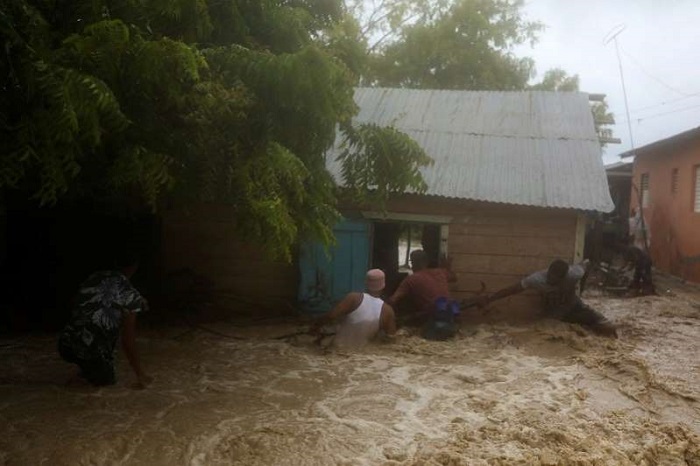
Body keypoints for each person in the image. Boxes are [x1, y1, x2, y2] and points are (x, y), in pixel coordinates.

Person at [58, 251, 152, 388]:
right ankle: (83, 377)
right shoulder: (131, 296)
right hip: (92, 349)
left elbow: (76, 302)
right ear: (135, 267)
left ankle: (85, 369)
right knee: (106, 383)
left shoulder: (94, 277)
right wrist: (140, 374)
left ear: (115, 264)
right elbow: (128, 341)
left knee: (93, 352)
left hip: (65, 343)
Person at [483, 259, 617, 337]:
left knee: (609, 329)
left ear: (564, 277)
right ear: (547, 273)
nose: (551, 281)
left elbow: (586, 263)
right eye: (549, 277)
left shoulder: (573, 274)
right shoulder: (536, 279)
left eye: (555, 280)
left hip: (575, 307)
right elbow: (512, 289)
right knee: (543, 334)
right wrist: (489, 298)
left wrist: (582, 288)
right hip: (555, 315)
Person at [311, 269, 396, 349]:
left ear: (366, 283)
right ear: (383, 286)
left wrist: (315, 326)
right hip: (362, 355)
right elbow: (391, 340)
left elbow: (331, 316)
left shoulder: (353, 298)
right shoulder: (388, 311)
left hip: (338, 349)